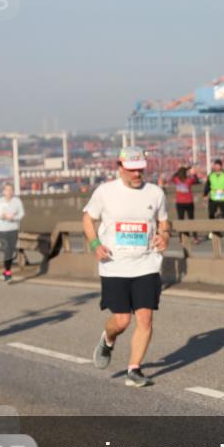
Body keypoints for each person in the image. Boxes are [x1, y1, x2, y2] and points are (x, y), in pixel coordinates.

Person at [83, 146, 170, 387]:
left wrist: (165, 236)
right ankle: (108, 339)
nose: (136, 174)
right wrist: (94, 243)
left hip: (147, 264)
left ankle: (134, 369)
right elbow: (88, 218)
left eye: (140, 170)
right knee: (121, 321)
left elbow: (163, 221)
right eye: (131, 170)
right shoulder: (105, 192)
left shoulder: (155, 193)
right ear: (119, 167)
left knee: (145, 319)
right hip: (114, 266)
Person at [0, 183, 25, 282]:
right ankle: (8, 272)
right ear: (3, 191)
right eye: (7, 190)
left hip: (13, 229)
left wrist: (13, 217)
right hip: (1, 230)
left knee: (11, 250)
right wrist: (1, 216)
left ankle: (6, 271)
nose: (9, 192)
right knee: (7, 250)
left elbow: (21, 214)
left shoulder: (17, 201)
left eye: (11, 190)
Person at [204, 159, 224, 240]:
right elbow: (207, 186)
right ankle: (212, 231)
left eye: (218, 165)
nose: (216, 166)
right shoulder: (211, 175)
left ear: (221, 166)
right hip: (213, 198)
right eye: (215, 165)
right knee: (211, 215)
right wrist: (205, 195)